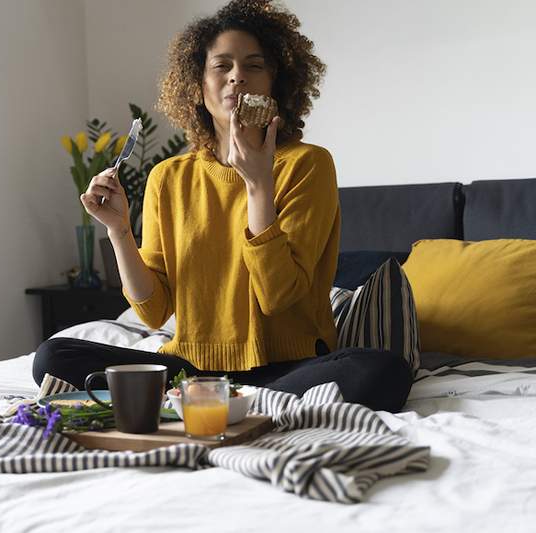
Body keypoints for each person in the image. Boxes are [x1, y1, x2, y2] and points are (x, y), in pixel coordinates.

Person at [33, 0, 412, 412]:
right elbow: (154, 311)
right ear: (198, 85)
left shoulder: (308, 164)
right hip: (191, 370)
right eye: (222, 66)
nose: (237, 77)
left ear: (275, 84)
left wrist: (258, 184)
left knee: (381, 371)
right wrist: (120, 232)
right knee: (54, 357)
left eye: (254, 65)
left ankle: (220, 404)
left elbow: (278, 297)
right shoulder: (168, 177)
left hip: (287, 367)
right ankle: (227, 403)